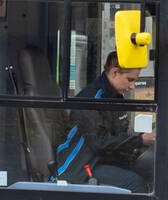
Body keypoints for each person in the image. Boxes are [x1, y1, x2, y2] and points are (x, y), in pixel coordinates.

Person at [56, 52, 156, 191]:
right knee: (135, 183)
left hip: (99, 160)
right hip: (79, 167)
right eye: (130, 79)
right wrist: (140, 140)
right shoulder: (92, 98)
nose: (132, 86)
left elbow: (116, 136)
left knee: (146, 170)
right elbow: (101, 143)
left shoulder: (114, 96)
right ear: (115, 72)